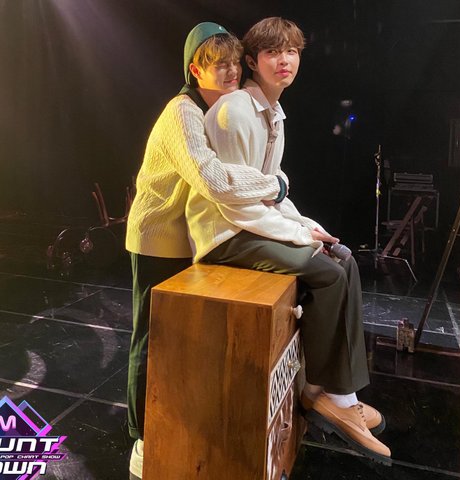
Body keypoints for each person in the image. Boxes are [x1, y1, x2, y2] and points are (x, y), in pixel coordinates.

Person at [185, 17, 392, 465]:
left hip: (252, 224)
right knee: (326, 271)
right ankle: (326, 395)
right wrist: (300, 236)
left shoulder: (273, 113)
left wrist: (308, 226)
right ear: (253, 62)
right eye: (273, 52)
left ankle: (343, 394)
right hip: (225, 234)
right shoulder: (236, 111)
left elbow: (272, 191)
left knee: (344, 258)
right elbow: (236, 203)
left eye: (292, 52)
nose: (285, 60)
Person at [125, 22, 288, 480]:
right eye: (220, 64)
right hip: (158, 239)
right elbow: (214, 180)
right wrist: (275, 185)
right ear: (195, 70)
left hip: (189, 238)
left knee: (181, 339)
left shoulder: (217, 110)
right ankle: (142, 438)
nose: (232, 71)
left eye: (235, 63)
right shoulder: (183, 112)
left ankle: (175, 427)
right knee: (150, 337)